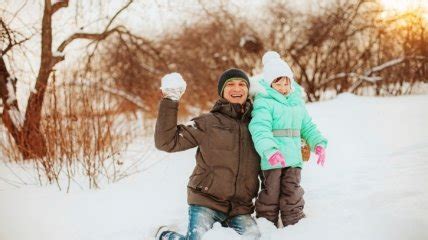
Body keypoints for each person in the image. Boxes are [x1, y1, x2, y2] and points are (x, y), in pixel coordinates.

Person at [154, 69, 261, 240]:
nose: (237, 89)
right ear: (222, 91)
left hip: (241, 207)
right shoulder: (207, 123)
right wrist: (170, 100)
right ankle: (166, 235)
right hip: (206, 201)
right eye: (230, 85)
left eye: (242, 84)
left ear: (248, 90)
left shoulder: (258, 126)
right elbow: (166, 142)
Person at [249, 51, 328, 228]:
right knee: (271, 192)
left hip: (293, 158)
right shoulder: (264, 101)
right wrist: (270, 150)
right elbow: (259, 128)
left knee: (292, 191)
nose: (284, 87)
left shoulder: (296, 102)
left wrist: (318, 144)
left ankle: (295, 224)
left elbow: (307, 126)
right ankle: (267, 225)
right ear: (270, 83)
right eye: (279, 83)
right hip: (273, 158)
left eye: (287, 82)